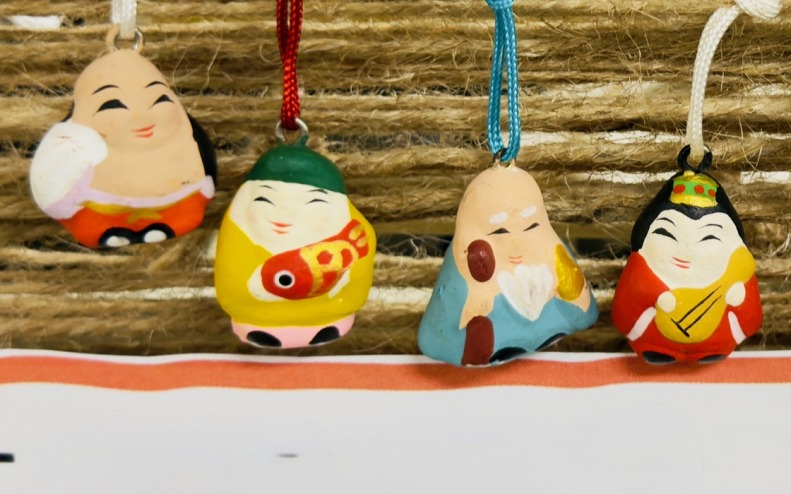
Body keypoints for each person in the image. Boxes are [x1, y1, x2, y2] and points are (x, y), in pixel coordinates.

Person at [30, 47, 216, 249]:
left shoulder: (187, 135)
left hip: (178, 202)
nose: (141, 118)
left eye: (159, 100)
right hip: (100, 209)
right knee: (90, 221)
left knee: (184, 211)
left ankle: (170, 223)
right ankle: (105, 230)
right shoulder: (77, 142)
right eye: (112, 105)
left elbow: (207, 168)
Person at [419, 164, 597, 366]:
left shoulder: (552, 251)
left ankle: (538, 332)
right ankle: (482, 347)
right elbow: (445, 323)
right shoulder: (469, 261)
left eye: (531, 227)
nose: (517, 245)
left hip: (552, 328)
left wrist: (574, 293)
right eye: (500, 231)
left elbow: (580, 303)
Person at [214, 142, 375, 349]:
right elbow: (231, 274)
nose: (284, 214)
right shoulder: (239, 230)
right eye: (264, 199)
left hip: (330, 311)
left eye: (314, 202)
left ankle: (326, 323)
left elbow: (357, 269)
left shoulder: (349, 232)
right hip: (255, 314)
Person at [613, 170, 761, 364]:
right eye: (667, 233)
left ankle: (714, 348)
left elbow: (751, 319)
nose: (687, 250)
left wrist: (738, 298)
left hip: (719, 339)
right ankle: (655, 348)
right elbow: (625, 308)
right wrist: (653, 294)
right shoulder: (641, 267)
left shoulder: (736, 272)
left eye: (708, 237)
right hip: (651, 337)